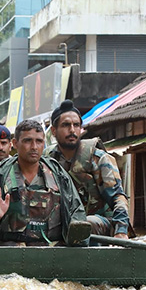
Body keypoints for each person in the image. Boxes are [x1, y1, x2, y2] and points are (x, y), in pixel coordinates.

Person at [0, 119, 90, 247]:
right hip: (10, 254)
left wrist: (76, 238)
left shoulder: (57, 174)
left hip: (53, 253)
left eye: (39, 141)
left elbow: (77, 212)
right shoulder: (0, 174)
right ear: (15, 143)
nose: (34, 147)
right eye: (27, 141)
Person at [46, 100, 131, 240]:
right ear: (54, 131)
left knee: (85, 224)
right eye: (66, 125)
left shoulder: (98, 159)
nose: (72, 130)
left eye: (76, 125)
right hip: (62, 223)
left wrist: (121, 231)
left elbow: (118, 197)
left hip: (99, 223)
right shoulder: (47, 160)